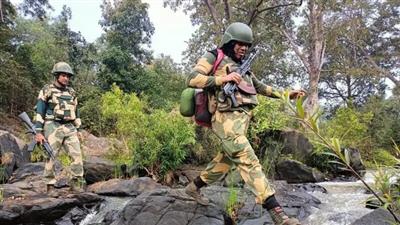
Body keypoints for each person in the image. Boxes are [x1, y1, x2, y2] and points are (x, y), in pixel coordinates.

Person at [184, 22, 304, 225]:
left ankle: (193, 188)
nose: (244, 48)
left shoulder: (244, 68)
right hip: (224, 118)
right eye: (239, 44)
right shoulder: (214, 56)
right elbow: (192, 78)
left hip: (242, 122)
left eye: (247, 45)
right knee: (247, 159)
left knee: (226, 161)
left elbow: (261, 88)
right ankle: (276, 211)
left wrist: (286, 94)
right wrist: (223, 79)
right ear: (229, 42)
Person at [34, 62, 85, 193]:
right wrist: (38, 131)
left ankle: (76, 183)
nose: (66, 78)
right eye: (63, 75)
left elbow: (76, 111)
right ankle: (50, 186)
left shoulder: (72, 92)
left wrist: (78, 129)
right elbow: (40, 110)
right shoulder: (47, 90)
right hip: (52, 125)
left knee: (77, 155)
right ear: (56, 76)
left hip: (69, 126)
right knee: (51, 155)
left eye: (68, 76)